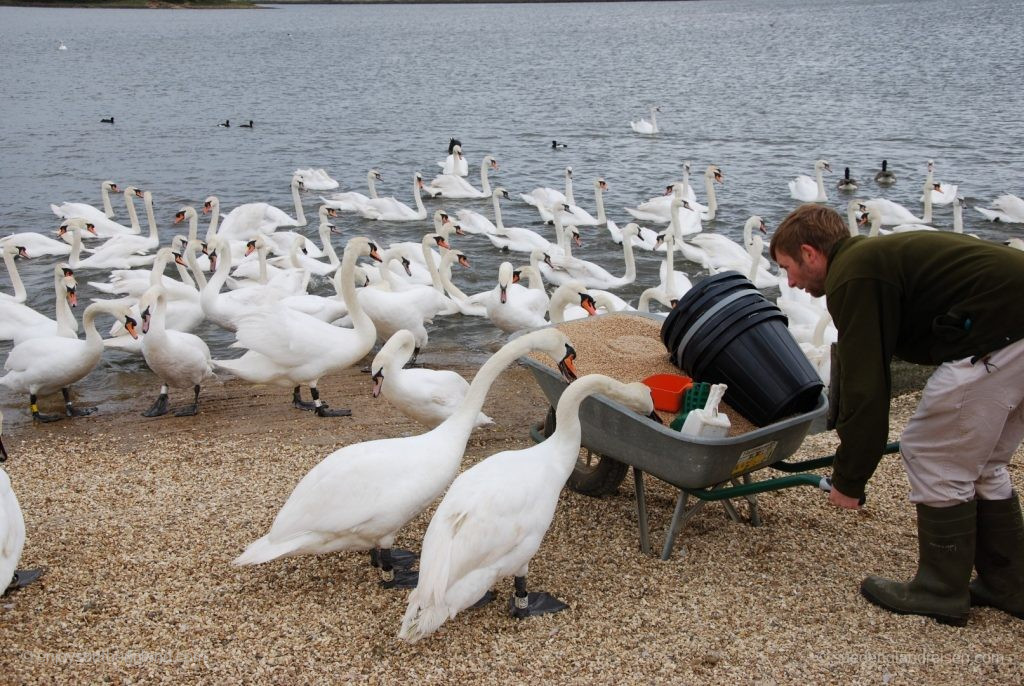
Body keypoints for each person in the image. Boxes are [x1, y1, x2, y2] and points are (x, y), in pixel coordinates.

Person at [769, 203, 1024, 627]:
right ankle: (1010, 583)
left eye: (788, 267)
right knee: (983, 461)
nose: (790, 283)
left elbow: (867, 387)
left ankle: (940, 590)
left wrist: (849, 479)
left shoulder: (854, 276)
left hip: (1001, 334)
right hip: (1012, 326)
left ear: (811, 254)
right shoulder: (872, 259)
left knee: (930, 450)